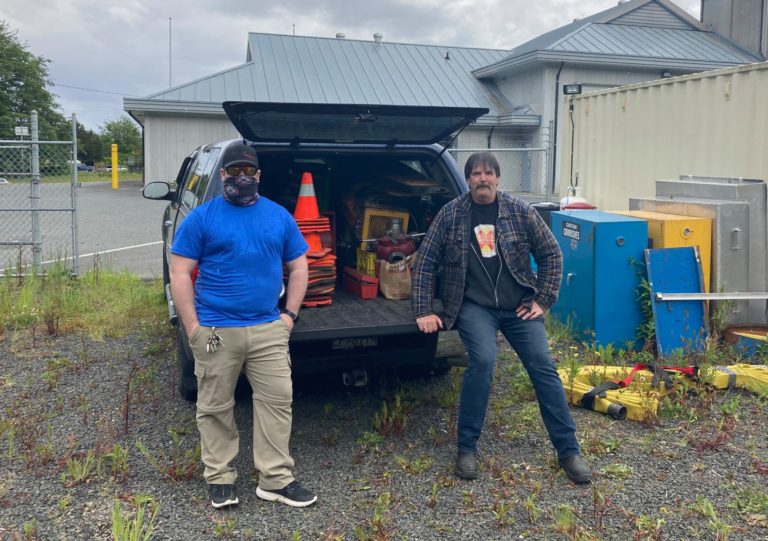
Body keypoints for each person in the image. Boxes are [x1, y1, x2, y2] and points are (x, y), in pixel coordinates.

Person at [411, 152, 591, 484]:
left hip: (519, 306)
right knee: (482, 362)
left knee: (543, 365)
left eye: (489, 173)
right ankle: (466, 449)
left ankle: (569, 451)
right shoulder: (451, 214)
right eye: (477, 173)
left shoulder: (520, 211)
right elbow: (425, 261)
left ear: (497, 178)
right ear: (468, 180)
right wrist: (423, 309)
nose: (483, 178)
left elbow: (551, 252)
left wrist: (544, 299)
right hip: (473, 306)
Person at [170, 141, 318, 508]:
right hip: (216, 330)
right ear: (222, 175)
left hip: (269, 327)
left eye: (247, 171)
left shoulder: (279, 216)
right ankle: (220, 478)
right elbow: (180, 272)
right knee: (215, 406)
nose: (241, 177)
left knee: (277, 401)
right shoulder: (202, 218)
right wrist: (192, 328)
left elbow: (300, 265)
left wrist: (289, 317)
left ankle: (275, 479)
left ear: (258, 175)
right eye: (233, 171)